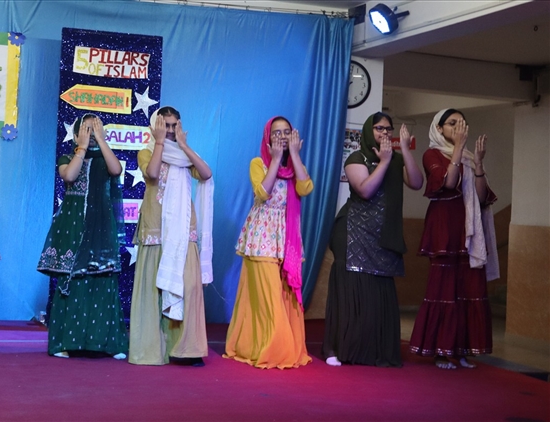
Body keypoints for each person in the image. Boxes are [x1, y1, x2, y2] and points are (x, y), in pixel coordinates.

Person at [322, 112, 423, 367]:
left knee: (378, 295)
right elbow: (365, 190)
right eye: (379, 128)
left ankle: (373, 352)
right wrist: (384, 162)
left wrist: (405, 150)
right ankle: (338, 349)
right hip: (353, 232)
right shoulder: (357, 158)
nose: (384, 133)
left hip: (383, 235)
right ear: (369, 130)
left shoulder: (396, 159)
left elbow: (416, 182)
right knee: (352, 292)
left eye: (388, 129)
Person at [409, 108, 498, 370]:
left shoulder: (468, 157)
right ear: (439, 128)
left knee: (468, 288)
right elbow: (448, 183)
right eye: (452, 123)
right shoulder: (432, 154)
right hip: (444, 229)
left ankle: (460, 351)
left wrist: (478, 163)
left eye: (462, 123)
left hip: (469, 229)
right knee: (444, 290)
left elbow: (481, 198)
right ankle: (440, 351)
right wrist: (458, 147)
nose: (459, 127)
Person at [224, 116, 313, 369]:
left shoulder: (295, 166)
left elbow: (305, 188)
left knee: (284, 296)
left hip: (287, 237)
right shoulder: (258, 163)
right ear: (268, 137)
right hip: (262, 236)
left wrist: (294, 155)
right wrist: (275, 160)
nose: (282, 137)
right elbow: (262, 193)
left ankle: (269, 346)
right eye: (276, 133)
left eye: (286, 132)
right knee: (268, 297)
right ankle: (275, 349)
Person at [37, 113, 128, 359]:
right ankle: (64, 343)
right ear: (76, 134)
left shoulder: (105, 159)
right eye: (86, 130)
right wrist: (83, 147)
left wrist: (101, 140)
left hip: (101, 228)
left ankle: (106, 344)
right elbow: (69, 175)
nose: (91, 134)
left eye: (95, 129)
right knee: (72, 281)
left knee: (102, 280)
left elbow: (116, 169)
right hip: (74, 227)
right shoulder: (68, 157)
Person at [128, 106, 214, 366]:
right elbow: (153, 173)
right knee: (153, 291)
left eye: (173, 125)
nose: (169, 130)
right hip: (156, 227)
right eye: (164, 125)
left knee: (188, 287)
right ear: (155, 126)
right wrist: (159, 143)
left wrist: (184, 146)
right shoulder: (146, 151)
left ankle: (187, 349)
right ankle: (152, 350)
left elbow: (206, 173)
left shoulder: (185, 156)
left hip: (183, 228)